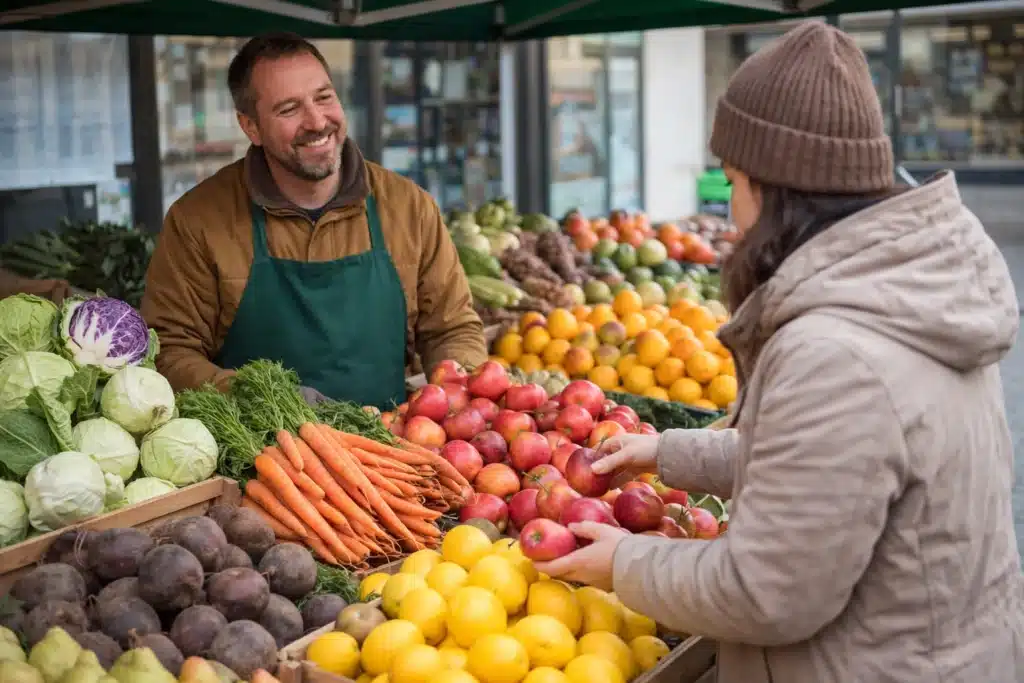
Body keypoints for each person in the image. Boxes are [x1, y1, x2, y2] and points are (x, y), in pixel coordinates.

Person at [535, 21, 1024, 683]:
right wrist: (666, 453)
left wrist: (623, 562)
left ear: (777, 190)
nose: (731, 213)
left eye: (734, 182)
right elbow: (833, 465)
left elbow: (767, 591)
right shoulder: (908, 291)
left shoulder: (835, 349)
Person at [141, 32, 487, 408]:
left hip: (394, 452)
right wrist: (265, 399)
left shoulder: (409, 207)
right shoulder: (199, 220)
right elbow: (169, 351)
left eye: (324, 97)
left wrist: (457, 400)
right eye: (289, 109)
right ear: (251, 127)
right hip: (261, 459)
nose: (317, 121)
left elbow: (453, 329)